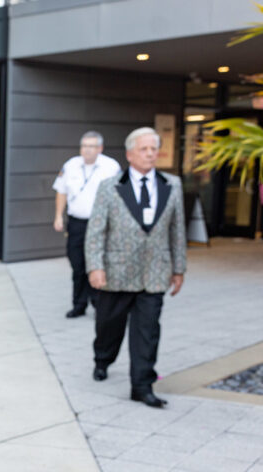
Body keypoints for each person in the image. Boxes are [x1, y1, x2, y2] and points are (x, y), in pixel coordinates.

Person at [86, 127, 187, 408]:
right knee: (109, 326)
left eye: (154, 149)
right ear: (130, 154)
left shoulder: (173, 185)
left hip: (154, 273)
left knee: (148, 331)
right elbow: (95, 232)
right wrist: (95, 266)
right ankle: (102, 359)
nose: (150, 154)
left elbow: (177, 230)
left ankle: (142, 386)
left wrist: (179, 269)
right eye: (144, 149)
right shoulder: (110, 186)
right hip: (116, 271)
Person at [52, 131, 121, 318]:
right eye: (84, 146)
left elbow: (119, 196)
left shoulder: (111, 167)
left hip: (101, 224)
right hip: (77, 223)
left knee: (98, 263)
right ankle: (79, 304)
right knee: (77, 264)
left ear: (100, 148)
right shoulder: (71, 165)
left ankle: (99, 303)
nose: (87, 150)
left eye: (91, 146)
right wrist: (58, 216)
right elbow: (61, 191)